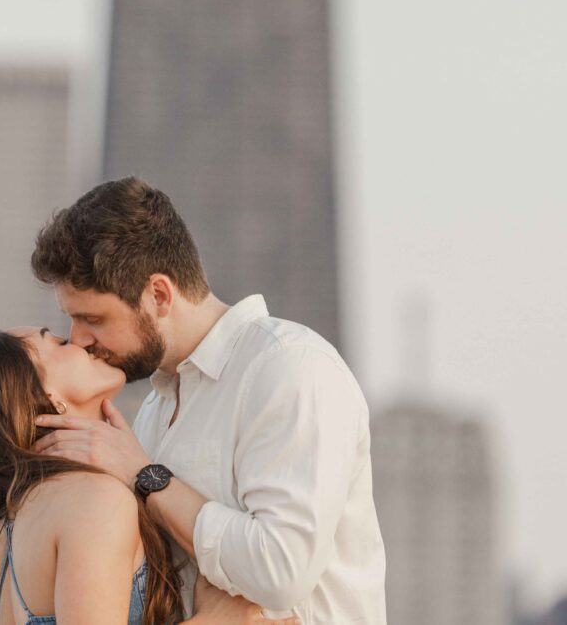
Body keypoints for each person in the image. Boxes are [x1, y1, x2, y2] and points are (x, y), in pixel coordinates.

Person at [29, 177, 387, 624]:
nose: (79, 339)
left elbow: (281, 572)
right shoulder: (154, 413)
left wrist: (146, 476)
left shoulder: (288, 368)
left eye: (93, 318)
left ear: (158, 295)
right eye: (72, 319)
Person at [0, 327, 301, 625]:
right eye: (60, 342)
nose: (80, 340)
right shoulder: (93, 501)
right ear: (49, 398)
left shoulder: (8, 525)